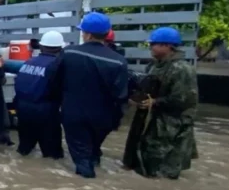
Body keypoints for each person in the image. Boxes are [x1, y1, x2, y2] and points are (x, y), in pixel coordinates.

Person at [51, 13, 128, 178]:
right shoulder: (119, 61)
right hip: (104, 118)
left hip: (74, 114)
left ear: (88, 34)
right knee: (93, 149)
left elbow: (54, 81)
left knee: (82, 159)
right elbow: (121, 95)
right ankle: (96, 169)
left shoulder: (69, 53)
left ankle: (86, 189)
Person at [129, 27, 198, 179]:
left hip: (175, 127)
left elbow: (182, 99)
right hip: (153, 123)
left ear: (168, 46)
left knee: (167, 170)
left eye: (154, 44)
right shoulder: (154, 65)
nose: (151, 48)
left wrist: (154, 102)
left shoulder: (182, 70)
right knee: (146, 161)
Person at [14, 31, 65, 159]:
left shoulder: (28, 62)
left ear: (41, 46)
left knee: (24, 150)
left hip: (23, 109)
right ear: (60, 48)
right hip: (46, 110)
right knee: (52, 156)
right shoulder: (58, 65)